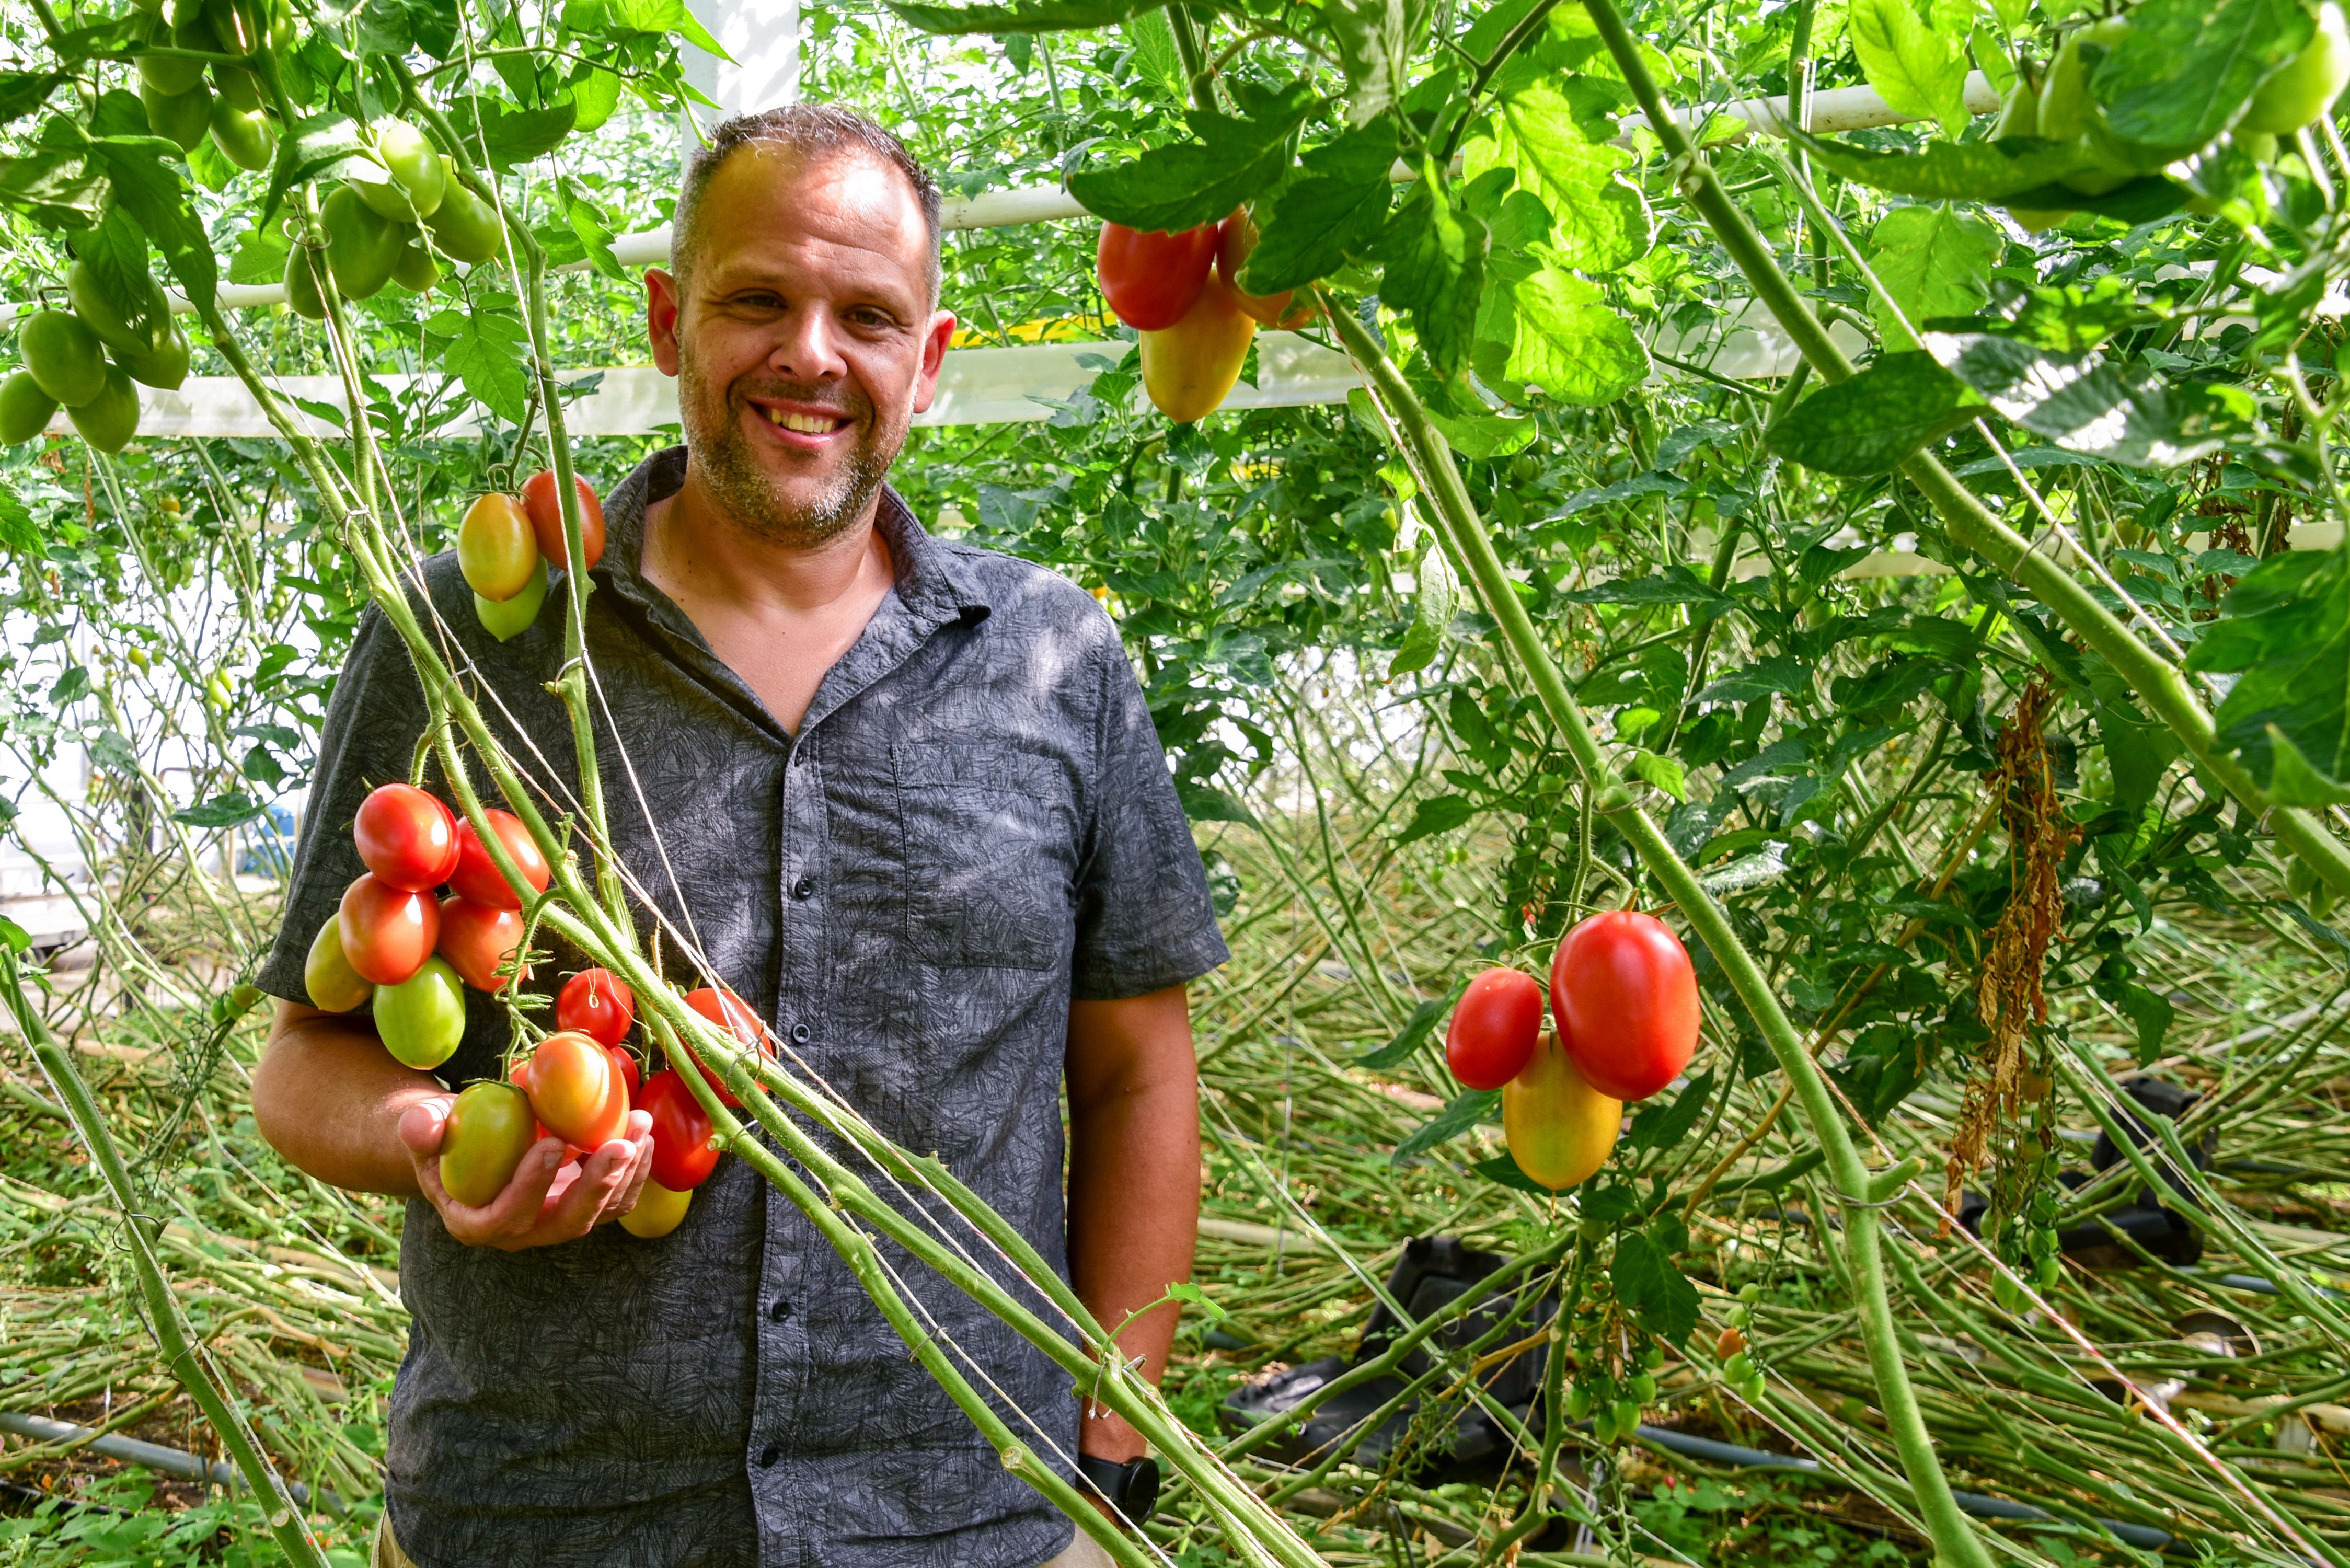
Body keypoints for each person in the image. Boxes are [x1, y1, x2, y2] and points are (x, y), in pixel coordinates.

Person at [250, 103, 1227, 1568]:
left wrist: (1115, 1454)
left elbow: (1139, 1072)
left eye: (868, 316)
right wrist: (419, 1140)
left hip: (966, 1526)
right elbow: (305, 1057)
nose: (811, 355)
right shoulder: (474, 637)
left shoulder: (1053, 661)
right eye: (757, 300)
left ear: (932, 362)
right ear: (667, 321)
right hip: (543, 1519)